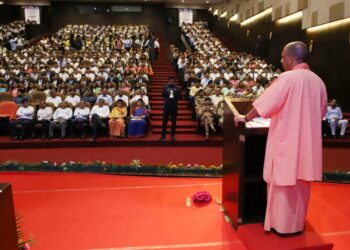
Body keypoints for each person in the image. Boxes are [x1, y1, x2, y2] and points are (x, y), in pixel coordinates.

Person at [234, 41, 327, 235]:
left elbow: (263, 106)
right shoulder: (318, 81)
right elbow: (321, 113)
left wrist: (244, 117)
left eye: (283, 57)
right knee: (301, 185)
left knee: (283, 184)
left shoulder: (287, 78)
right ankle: (297, 225)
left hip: (287, 142)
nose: (281, 60)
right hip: (307, 145)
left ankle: (281, 226)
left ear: (291, 59)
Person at [159, 77, 181, 141]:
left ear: (174, 81)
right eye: (170, 81)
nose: (171, 82)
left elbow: (180, 97)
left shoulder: (177, 88)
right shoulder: (165, 87)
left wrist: (174, 94)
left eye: (172, 81)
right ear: (168, 81)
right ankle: (163, 135)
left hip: (174, 106)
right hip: (166, 107)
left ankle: (173, 136)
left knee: (173, 122)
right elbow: (162, 95)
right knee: (164, 122)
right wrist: (168, 93)